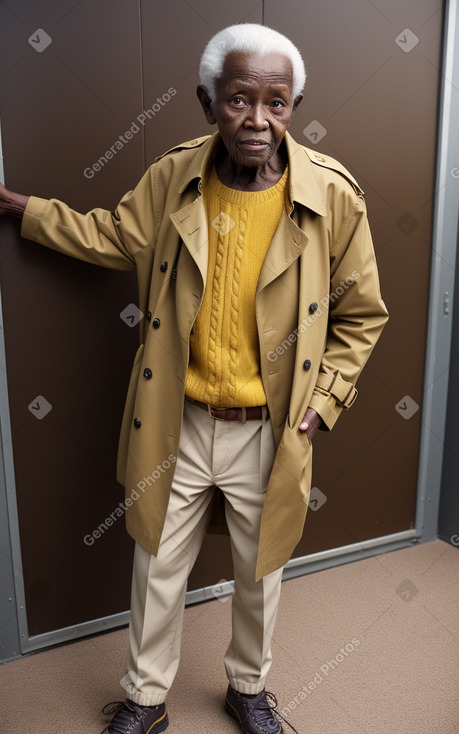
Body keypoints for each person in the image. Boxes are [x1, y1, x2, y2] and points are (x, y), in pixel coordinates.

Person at [0, 23, 388, 734]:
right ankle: (146, 700)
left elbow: (361, 314)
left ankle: (248, 689)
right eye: (240, 99)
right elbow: (111, 236)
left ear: (295, 105)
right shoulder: (173, 176)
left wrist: (324, 402)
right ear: (209, 102)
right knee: (155, 565)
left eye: (277, 102)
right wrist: (24, 210)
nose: (258, 120)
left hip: (269, 428)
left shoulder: (332, 196)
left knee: (261, 570)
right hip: (175, 419)